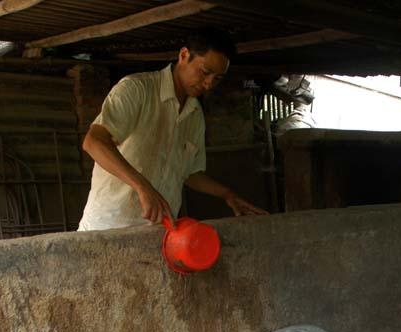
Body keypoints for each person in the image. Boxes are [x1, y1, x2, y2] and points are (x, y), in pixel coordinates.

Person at [78, 28, 268, 231]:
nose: (209, 83)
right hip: (108, 226)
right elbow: (93, 142)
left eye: (218, 78)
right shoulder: (137, 89)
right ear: (184, 55)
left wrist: (227, 194)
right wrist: (142, 186)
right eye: (205, 72)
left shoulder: (195, 115)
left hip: (159, 233)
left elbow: (189, 173)